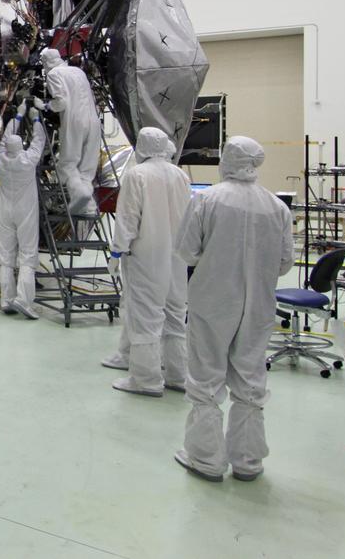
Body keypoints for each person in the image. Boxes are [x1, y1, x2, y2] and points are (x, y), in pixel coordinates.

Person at [173, 136, 293, 482]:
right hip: (258, 306)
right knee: (250, 380)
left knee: (206, 377)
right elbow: (285, 263)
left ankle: (206, 459)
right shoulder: (277, 207)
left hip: (213, 300)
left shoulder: (207, 200)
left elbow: (186, 251)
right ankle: (247, 460)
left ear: (226, 159)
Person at [101, 128, 191, 396]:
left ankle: (145, 380)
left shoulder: (137, 174)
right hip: (177, 256)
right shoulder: (180, 175)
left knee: (145, 317)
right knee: (175, 315)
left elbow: (128, 218)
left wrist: (117, 251)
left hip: (146, 256)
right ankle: (178, 375)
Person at [0, 100, 46, 319]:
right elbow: (39, 140)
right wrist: (35, 118)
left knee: (6, 255)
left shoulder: (0, 160)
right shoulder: (28, 159)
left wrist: (17, 116)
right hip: (25, 212)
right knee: (27, 254)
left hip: (6, 212)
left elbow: (5, 138)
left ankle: (6, 299)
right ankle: (24, 300)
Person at [43, 48, 101, 217]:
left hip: (74, 121)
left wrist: (46, 105)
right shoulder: (78, 72)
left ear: (46, 62)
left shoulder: (53, 74)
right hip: (93, 121)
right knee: (86, 169)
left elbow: (61, 103)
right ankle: (88, 207)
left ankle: (79, 195)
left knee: (68, 164)